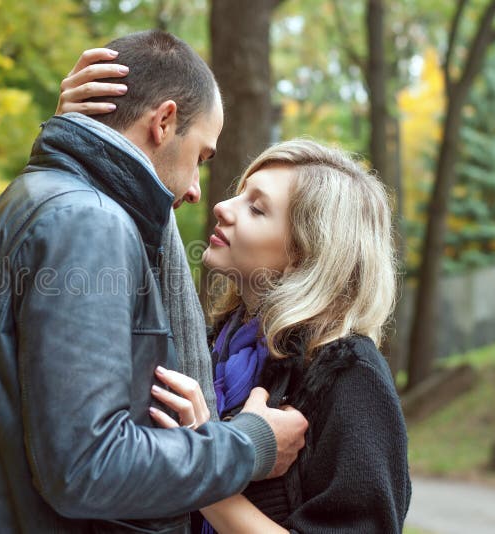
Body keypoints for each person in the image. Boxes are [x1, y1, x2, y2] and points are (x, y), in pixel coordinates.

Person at [0, 30, 309, 533]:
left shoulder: (1, 219)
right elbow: (88, 466)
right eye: (200, 157)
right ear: (164, 121)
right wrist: (249, 444)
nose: (197, 190)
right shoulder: (87, 223)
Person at [59, 59, 412, 533]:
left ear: (306, 252)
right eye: (239, 194)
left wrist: (205, 468)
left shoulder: (348, 375)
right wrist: (83, 136)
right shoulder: (208, 347)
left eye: (257, 209)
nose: (223, 207)